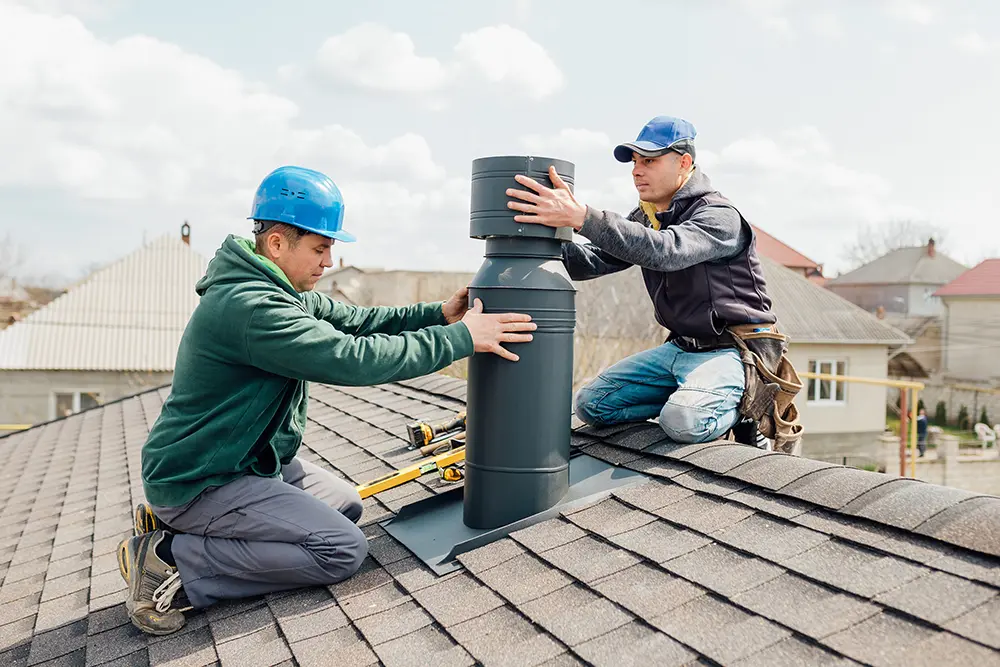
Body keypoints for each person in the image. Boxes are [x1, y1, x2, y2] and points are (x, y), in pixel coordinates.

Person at [117, 165, 537, 636]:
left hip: (247, 464)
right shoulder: (255, 309)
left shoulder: (279, 289)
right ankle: (172, 561)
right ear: (277, 243)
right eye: (320, 247)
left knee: (347, 505)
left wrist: (439, 314)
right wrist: (461, 339)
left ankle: (186, 529)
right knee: (340, 549)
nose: (330, 260)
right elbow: (352, 358)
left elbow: (355, 322)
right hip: (203, 478)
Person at [507, 115, 785, 448]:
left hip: (735, 351)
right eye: (635, 162)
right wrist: (530, 239)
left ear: (684, 162)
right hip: (680, 347)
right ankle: (694, 394)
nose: (637, 170)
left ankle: (748, 410)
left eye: (649, 161)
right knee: (591, 405)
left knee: (683, 422)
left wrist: (583, 217)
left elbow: (668, 250)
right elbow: (595, 260)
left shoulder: (718, 215)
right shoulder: (648, 215)